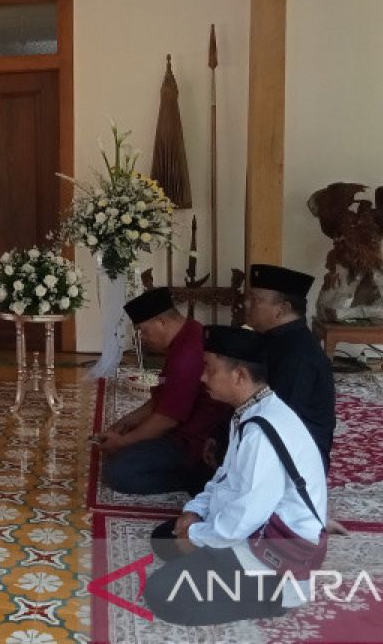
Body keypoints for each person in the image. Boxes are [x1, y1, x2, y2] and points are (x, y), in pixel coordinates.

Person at [144, 326, 328, 625]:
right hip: (253, 527)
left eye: (209, 369)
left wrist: (197, 536)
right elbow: (226, 479)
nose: (202, 377)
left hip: (275, 549)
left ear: (240, 375)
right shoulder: (252, 410)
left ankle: (274, 597)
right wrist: (194, 513)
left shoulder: (261, 433)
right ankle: (213, 562)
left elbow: (248, 515)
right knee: (164, 537)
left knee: (162, 593)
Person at [94, 288, 230, 496]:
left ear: (162, 322)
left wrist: (123, 443)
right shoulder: (189, 332)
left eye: (143, 330)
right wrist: (126, 423)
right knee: (126, 443)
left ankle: (197, 479)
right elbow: (163, 397)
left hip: (193, 443)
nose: (142, 338)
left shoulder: (186, 353)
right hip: (178, 429)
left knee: (118, 472)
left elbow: (167, 419)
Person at [245, 264, 336, 473]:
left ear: (283, 309)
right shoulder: (271, 339)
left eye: (256, 299)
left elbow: (279, 417)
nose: (246, 303)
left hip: (296, 459)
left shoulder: (298, 354)